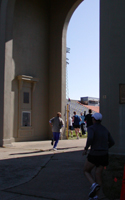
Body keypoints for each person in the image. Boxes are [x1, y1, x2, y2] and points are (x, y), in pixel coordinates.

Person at [82, 113, 115, 200]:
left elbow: (90, 138)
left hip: (94, 154)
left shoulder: (91, 128)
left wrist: (86, 148)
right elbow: (112, 142)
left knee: (86, 171)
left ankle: (93, 184)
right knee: (98, 174)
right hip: (104, 155)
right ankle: (96, 196)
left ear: (93, 119)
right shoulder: (105, 129)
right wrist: (105, 148)